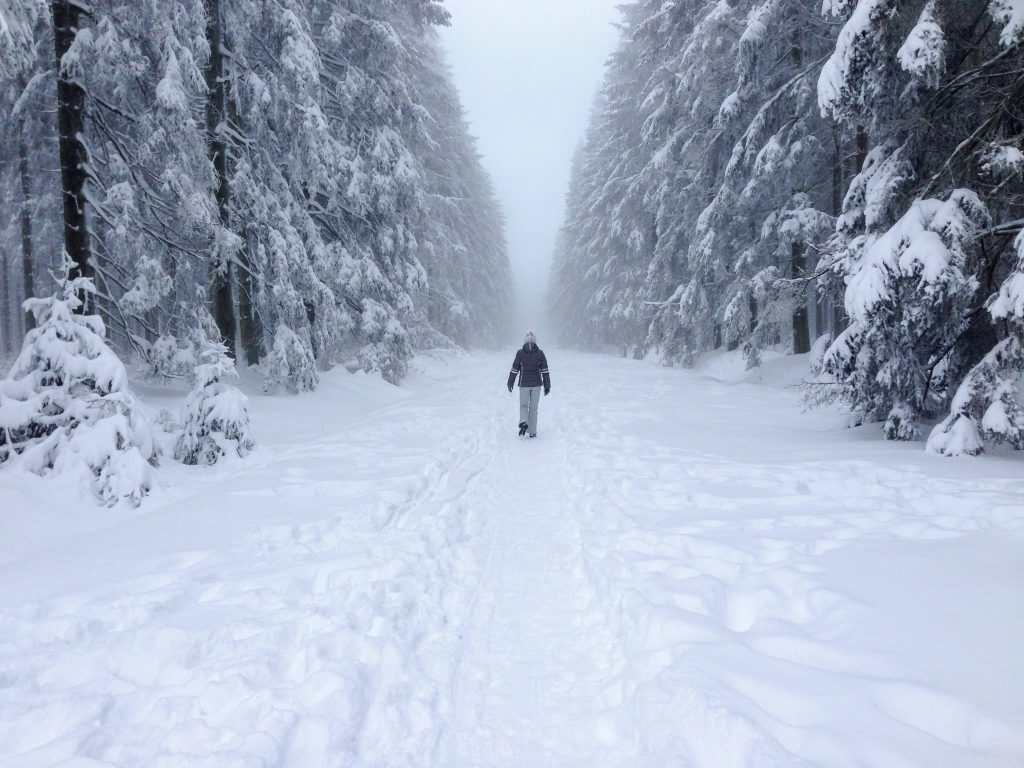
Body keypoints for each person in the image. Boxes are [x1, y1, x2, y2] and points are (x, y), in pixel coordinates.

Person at [507, 330, 550, 438]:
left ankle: (524, 422)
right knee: (534, 408)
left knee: (523, 405)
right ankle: (532, 431)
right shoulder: (540, 353)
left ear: (525, 341)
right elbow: (545, 371)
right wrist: (547, 385)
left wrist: (510, 382)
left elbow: (514, 369)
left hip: (524, 384)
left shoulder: (520, 353)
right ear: (535, 341)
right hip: (537, 385)